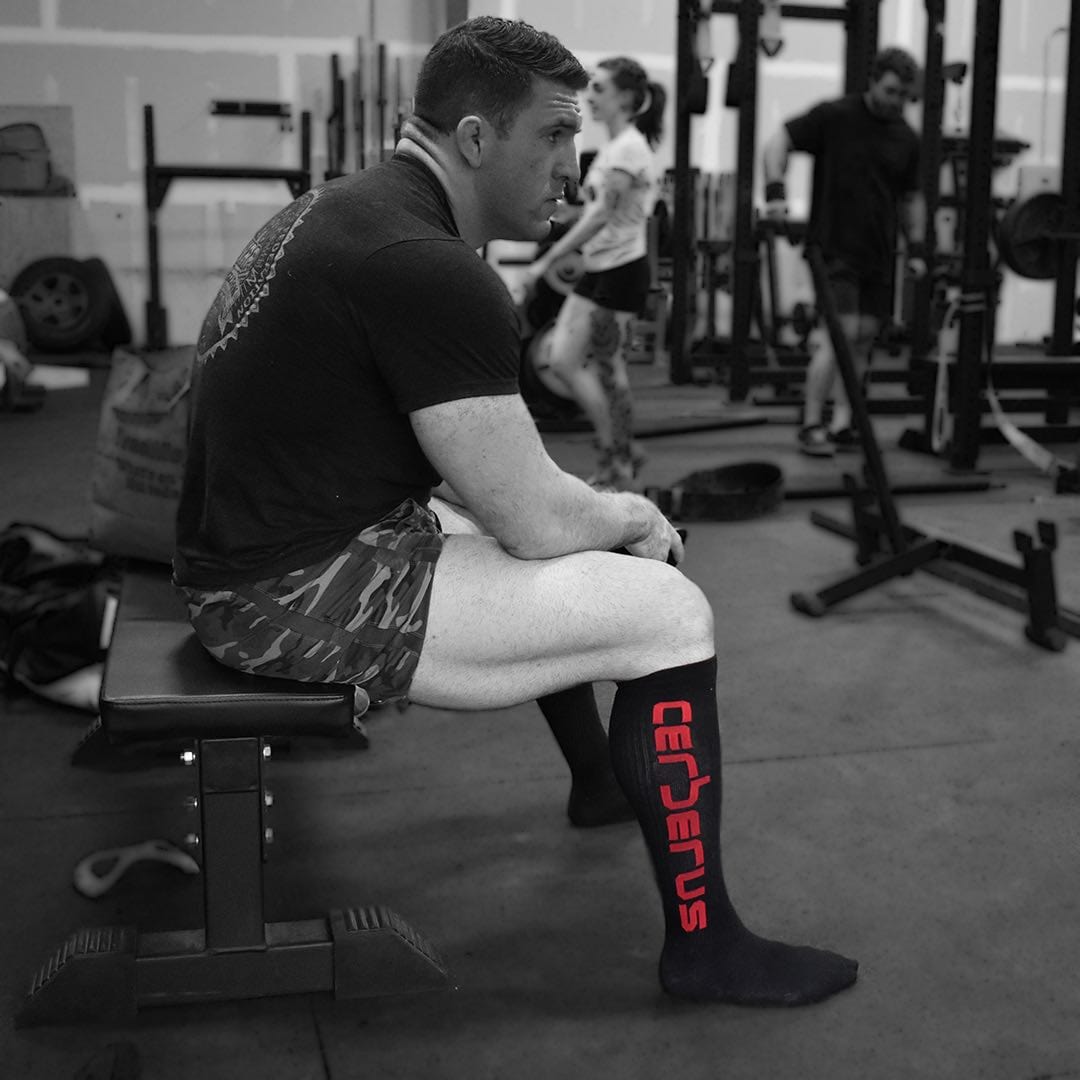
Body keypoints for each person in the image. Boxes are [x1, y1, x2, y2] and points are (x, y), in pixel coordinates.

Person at [174, 15, 857, 1006]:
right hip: (283, 594)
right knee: (670, 613)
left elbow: (485, 485)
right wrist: (633, 517)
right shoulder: (429, 265)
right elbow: (535, 518)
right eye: (554, 136)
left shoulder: (348, 207)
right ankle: (707, 947)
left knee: (552, 541)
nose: (573, 168)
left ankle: (600, 780)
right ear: (474, 138)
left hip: (258, 553)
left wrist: (585, 519)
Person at [762, 47, 927, 457]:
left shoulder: (907, 138)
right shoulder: (836, 116)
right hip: (834, 248)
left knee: (864, 339)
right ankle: (811, 423)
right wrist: (776, 193)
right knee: (838, 336)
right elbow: (778, 142)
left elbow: (911, 198)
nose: (895, 101)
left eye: (903, 95)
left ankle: (842, 423)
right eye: (890, 91)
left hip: (879, 253)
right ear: (873, 81)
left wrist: (918, 247)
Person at [522, 56, 665, 489]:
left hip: (622, 273)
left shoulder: (630, 149)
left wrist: (547, 259)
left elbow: (603, 216)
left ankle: (616, 458)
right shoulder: (613, 149)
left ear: (625, 97)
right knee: (562, 359)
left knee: (608, 367)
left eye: (600, 89)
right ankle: (620, 447)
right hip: (600, 268)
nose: (591, 97)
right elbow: (595, 210)